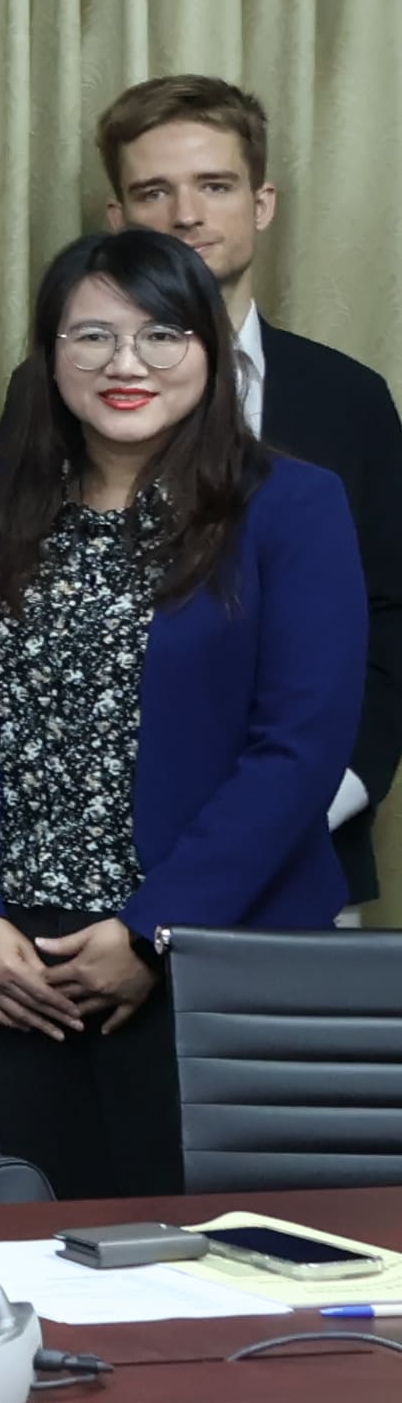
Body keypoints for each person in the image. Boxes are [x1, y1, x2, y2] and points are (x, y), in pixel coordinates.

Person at [0, 231, 364, 1205]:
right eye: (93, 336)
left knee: (209, 1252)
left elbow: (301, 747)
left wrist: (154, 930)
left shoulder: (292, 505)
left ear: (210, 350)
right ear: (50, 353)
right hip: (12, 964)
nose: (126, 363)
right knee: (19, 1238)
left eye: (161, 334)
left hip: (213, 951)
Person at [97, 74, 402, 906]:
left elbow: (391, 617)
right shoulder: (59, 388)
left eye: (215, 186)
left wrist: (326, 795)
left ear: (262, 204)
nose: (186, 215)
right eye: (154, 192)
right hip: (98, 861)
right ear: (118, 220)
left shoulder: (349, 398)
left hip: (310, 846)